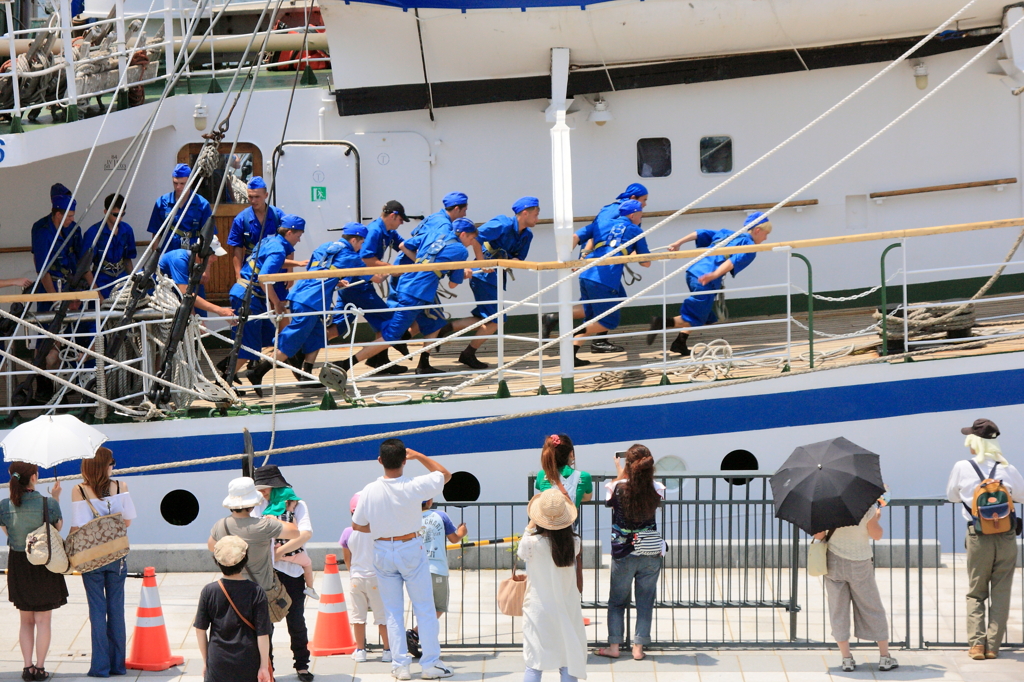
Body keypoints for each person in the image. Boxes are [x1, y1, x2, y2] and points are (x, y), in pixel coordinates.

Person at [351, 439, 454, 680]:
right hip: (410, 546)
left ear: (380, 461)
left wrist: (381, 528)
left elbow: (358, 524)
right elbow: (445, 475)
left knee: (393, 612)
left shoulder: (369, 490)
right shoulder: (415, 485)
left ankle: (400, 665)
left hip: (382, 549)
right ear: (404, 461)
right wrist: (418, 455)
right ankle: (430, 664)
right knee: (424, 608)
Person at [344, 220, 478, 376]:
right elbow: (453, 284)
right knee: (391, 335)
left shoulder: (433, 233)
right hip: (417, 293)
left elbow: (404, 246)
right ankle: (345, 364)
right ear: (463, 234)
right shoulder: (461, 251)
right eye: (471, 239)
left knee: (435, 322)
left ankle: (423, 363)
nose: (471, 243)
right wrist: (465, 273)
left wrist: (421, 264)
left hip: (408, 283)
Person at [243, 224, 369, 390]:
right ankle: (258, 372)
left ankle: (306, 374)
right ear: (354, 240)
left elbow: (316, 270)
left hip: (303, 296)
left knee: (318, 335)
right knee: (291, 340)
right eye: (361, 243)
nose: (361, 247)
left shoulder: (325, 247)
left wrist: (335, 280)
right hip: (311, 301)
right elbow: (375, 277)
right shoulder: (350, 256)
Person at [946, 418, 1024, 660]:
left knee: (976, 591)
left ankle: (977, 645)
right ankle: (993, 646)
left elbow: (951, 496)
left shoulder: (962, 466)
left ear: (974, 442)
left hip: (978, 535)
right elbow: (1021, 496)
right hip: (1006, 536)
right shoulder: (1008, 468)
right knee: (1001, 591)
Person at [541, 183, 648, 348]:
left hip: (593, 267)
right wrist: (581, 258)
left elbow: (594, 235)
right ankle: (579, 331)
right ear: (634, 203)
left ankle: (575, 344)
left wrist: (577, 258)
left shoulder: (610, 212)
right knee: (607, 314)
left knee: (607, 301)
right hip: (605, 269)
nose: (645, 205)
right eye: (644, 201)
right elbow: (639, 256)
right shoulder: (621, 216)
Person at [651, 212, 772, 357]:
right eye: (766, 234)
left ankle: (680, 343)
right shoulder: (750, 246)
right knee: (695, 316)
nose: (766, 238)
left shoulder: (728, 234)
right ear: (757, 230)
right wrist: (714, 275)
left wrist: (678, 243)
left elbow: (700, 233)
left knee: (705, 315)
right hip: (705, 278)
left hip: (693, 273)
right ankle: (662, 322)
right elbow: (732, 262)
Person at [69, 447, 136, 678]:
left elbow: (78, 526)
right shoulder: (120, 487)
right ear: (104, 465)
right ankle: (118, 665)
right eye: (111, 462)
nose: (113, 466)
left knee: (97, 610)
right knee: (116, 609)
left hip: (91, 559)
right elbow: (127, 522)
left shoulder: (78, 490)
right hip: (117, 556)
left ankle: (100, 667)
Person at [448, 197, 538, 370]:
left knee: (486, 318)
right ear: (525, 213)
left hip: (497, 277)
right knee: (497, 319)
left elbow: (518, 258)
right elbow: (475, 238)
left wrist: (514, 261)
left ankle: (447, 327)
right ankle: (468, 353)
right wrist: (482, 263)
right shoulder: (502, 224)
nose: (537, 219)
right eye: (536, 214)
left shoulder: (527, 235)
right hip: (483, 276)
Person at [814, 493, 897, 672]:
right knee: (871, 606)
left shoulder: (826, 506)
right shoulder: (866, 507)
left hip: (833, 563)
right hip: (860, 563)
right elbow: (877, 535)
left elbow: (818, 535)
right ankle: (884, 657)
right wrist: (876, 518)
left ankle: (846, 659)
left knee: (838, 609)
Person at [596, 445, 664, 661]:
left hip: (624, 552)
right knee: (645, 601)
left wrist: (620, 472)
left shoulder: (617, 487)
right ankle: (638, 648)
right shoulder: (657, 488)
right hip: (650, 550)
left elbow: (612, 500)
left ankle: (614, 646)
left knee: (617, 600)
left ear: (628, 464)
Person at [0, 462, 68, 682]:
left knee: (25, 620)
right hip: (43, 564)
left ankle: (27, 667)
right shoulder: (47, 503)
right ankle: (40, 669)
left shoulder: (4, 505)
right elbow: (56, 529)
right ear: (34, 478)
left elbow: (8, 532)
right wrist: (56, 497)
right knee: (43, 621)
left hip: (19, 564)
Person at [250, 465, 315, 682]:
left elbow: (306, 533)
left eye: (265, 489)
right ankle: (267, 667)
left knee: (296, 619)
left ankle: (302, 665)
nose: (262, 493)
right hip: (267, 573)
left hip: (293, 571)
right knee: (265, 623)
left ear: (275, 486)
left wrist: (280, 553)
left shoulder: (298, 504)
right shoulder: (258, 505)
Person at [226, 215, 305, 391]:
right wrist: (276, 303)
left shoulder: (271, 241)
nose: (299, 240)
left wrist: (297, 263)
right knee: (249, 345)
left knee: (267, 337)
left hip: (248, 294)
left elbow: (269, 262)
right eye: (298, 235)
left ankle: (252, 373)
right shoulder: (278, 250)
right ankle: (223, 382)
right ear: (290, 232)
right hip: (248, 296)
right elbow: (264, 278)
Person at [569, 200, 651, 367]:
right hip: (605, 278)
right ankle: (574, 332)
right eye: (641, 213)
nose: (642, 216)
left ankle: (571, 355)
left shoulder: (601, 222)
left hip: (586, 274)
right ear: (633, 215)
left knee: (603, 310)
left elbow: (575, 237)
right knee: (609, 321)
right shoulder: (635, 230)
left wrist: (571, 261)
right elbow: (646, 262)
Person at [518, 488, 587, 682]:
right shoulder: (574, 542)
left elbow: (522, 551)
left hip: (538, 609)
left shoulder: (531, 543)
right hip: (567, 607)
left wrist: (531, 524)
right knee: (568, 658)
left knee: (534, 662)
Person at [194, 536, 273, 682]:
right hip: (248, 660)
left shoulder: (209, 591)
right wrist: (263, 666)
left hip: (218, 660)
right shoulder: (256, 591)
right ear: (245, 560)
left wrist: (206, 661)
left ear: (217, 561)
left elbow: (200, 630)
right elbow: (263, 633)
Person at [405, 499, 467, 657]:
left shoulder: (409, 518)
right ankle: (416, 634)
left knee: (422, 606)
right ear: (430, 501)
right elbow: (454, 538)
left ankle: (419, 638)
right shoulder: (441, 516)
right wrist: (462, 532)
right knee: (439, 606)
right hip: (437, 568)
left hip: (416, 569)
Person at [340, 493, 392, 663]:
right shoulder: (377, 531)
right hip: (376, 577)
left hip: (356, 578)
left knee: (358, 617)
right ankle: (387, 650)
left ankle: (360, 650)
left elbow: (348, 560)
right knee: (381, 616)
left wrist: (353, 572)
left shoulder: (347, 533)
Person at [31, 192, 89, 313]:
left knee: (75, 326)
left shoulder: (72, 229)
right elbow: (42, 270)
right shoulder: (44, 234)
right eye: (69, 216)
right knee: (50, 325)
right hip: (51, 287)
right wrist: (55, 299)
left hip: (70, 285)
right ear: (58, 215)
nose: (72, 219)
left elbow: (80, 260)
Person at [157, 235, 234, 318]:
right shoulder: (179, 260)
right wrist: (220, 310)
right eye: (213, 254)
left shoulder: (194, 263)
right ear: (202, 253)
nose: (216, 259)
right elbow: (185, 294)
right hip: (155, 294)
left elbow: (187, 297)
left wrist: (195, 322)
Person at [227, 177, 285, 279]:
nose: (253, 201)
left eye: (257, 197)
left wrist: (289, 271)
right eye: (250, 197)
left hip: (276, 267)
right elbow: (237, 248)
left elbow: (287, 243)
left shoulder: (278, 216)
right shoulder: (241, 219)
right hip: (251, 268)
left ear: (266, 195)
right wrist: (238, 274)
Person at [147, 163, 213, 252]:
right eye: (175, 183)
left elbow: (208, 236)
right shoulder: (162, 203)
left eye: (182, 183)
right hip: (167, 254)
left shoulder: (202, 204)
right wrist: (155, 260)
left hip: (192, 254)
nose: (178, 187)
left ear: (191, 181)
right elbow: (156, 234)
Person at [83, 194, 137, 299]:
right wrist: (97, 296)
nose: (119, 218)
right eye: (115, 215)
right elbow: (85, 269)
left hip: (121, 279)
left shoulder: (127, 230)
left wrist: (133, 284)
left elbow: (127, 260)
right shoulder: (93, 233)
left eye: (122, 214)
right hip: (101, 280)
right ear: (106, 212)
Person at [535, 434, 593, 510]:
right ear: (571, 454)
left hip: (546, 520)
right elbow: (587, 497)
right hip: (569, 520)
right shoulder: (584, 476)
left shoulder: (541, 474)